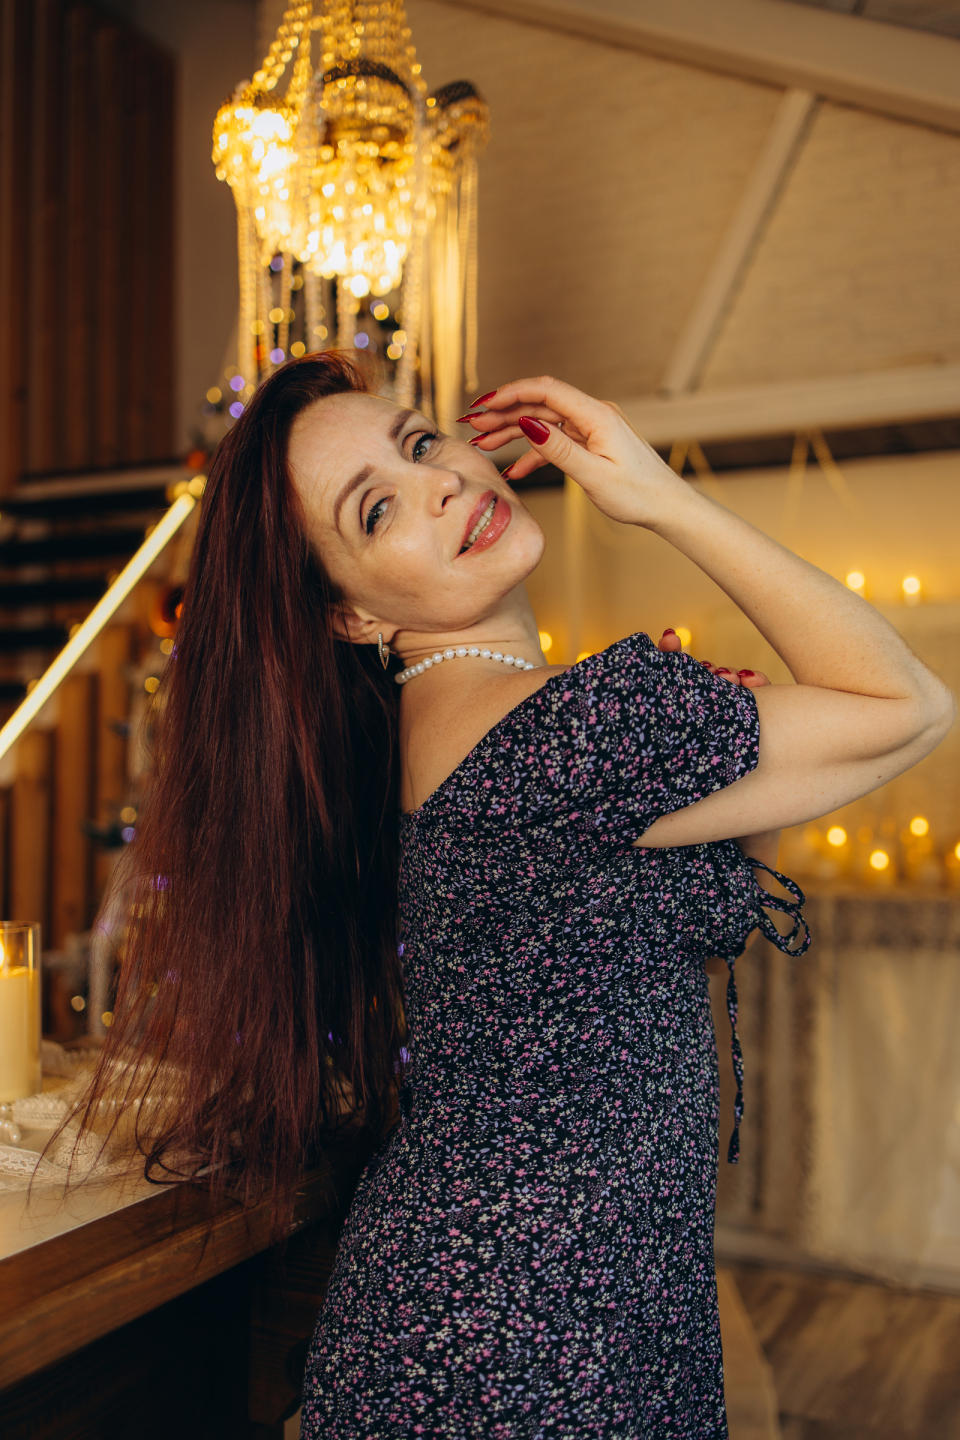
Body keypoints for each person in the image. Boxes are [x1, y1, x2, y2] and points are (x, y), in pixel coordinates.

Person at [68, 354, 954, 1438]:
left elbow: (646, 951)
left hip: (546, 1312)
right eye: (378, 508)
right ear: (350, 615)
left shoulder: (477, 730)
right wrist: (658, 495)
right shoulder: (555, 731)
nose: (441, 482)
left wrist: (704, 780)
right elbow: (908, 705)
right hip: (522, 1346)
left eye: (420, 442)